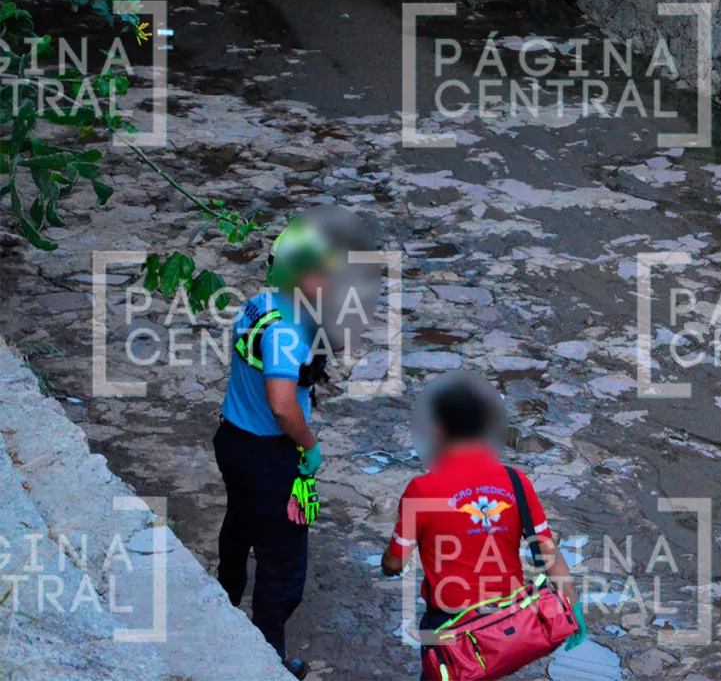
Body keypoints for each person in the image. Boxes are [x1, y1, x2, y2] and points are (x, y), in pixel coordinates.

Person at [380, 378, 587, 678]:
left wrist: (387, 567)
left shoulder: (422, 490)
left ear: (437, 430)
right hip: (507, 627)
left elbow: (396, 561)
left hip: (450, 631)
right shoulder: (516, 481)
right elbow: (547, 550)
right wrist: (573, 604)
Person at [214, 224, 332, 680]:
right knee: (282, 565)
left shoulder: (258, 305)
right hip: (270, 456)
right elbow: (283, 407)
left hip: (233, 441)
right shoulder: (286, 329)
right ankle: (266, 662)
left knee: (238, 529)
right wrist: (310, 444)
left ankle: (221, 615)